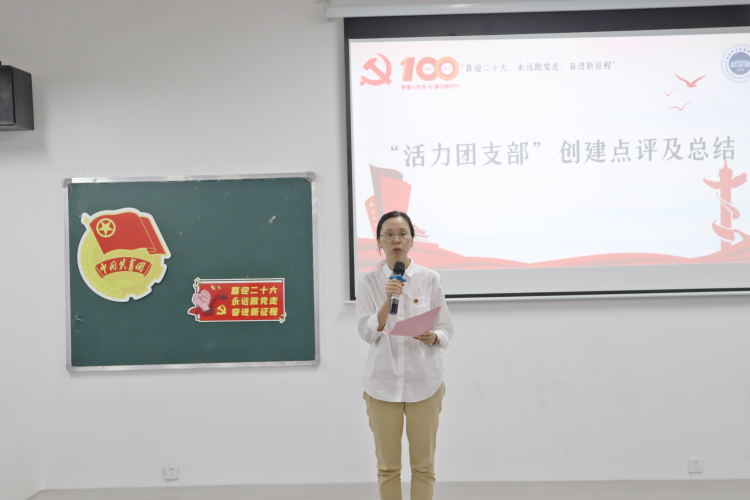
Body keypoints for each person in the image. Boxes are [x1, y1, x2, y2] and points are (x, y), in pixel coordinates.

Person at [356, 211, 455, 500]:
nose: (396, 240)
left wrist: (434, 337)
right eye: (389, 234)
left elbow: (446, 328)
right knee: (388, 468)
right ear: (379, 241)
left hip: (424, 383)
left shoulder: (430, 278)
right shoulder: (368, 283)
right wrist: (388, 298)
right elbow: (366, 333)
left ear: (412, 240)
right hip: (382, 384)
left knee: (423, 467)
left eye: (403, 234)